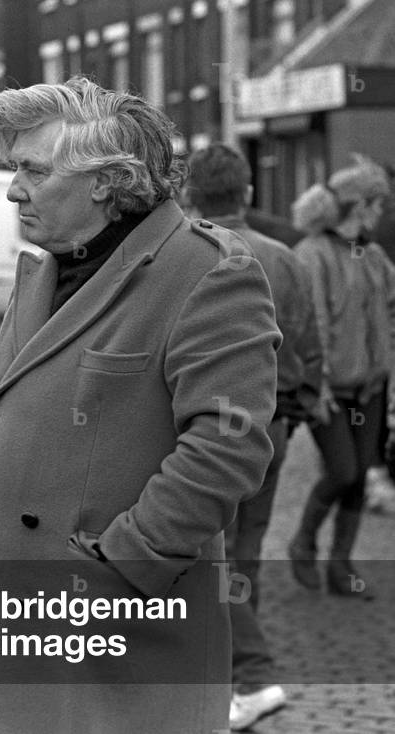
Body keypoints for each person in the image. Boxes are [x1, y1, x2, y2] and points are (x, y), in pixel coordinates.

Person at [0, 78, 279, 734]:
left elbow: (226, 444)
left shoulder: (205, 272)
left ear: (105, 180)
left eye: (32, 171)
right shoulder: (43, 269)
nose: (13, 190)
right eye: (14, 169)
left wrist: (120, 569)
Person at [187, 142, 323, 731]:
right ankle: (238, 677)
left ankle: (247, 676)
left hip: (209, 427)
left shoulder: (189, 254)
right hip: (273, 425)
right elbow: (309, 345)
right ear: (246, 191)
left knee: (207, 557)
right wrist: (298, 406)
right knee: (246, 556)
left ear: (190, 193)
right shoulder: (284, 258)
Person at [287, 156, 395, 597]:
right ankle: (303, 542)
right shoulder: (313, 255)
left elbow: (389, 314)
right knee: (343, 471)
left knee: (358, 477)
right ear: (361, 205)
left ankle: (341, 568)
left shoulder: (372, 254)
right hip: (327, 391)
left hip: (369, 387)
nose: (384, 212)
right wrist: (321, 385)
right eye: (380, 204)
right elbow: (313, 327)